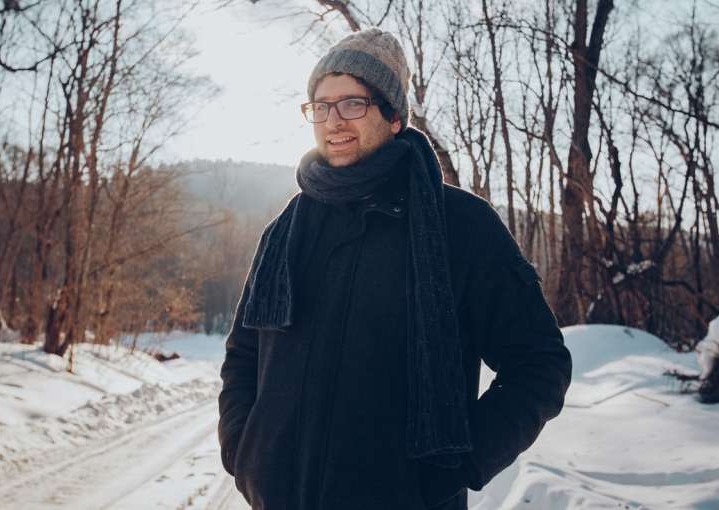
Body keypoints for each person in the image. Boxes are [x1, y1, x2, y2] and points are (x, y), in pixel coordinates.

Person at [218, 28, 572, 510]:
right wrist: (243, 452)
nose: (333, 121)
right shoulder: (287, 227)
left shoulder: (459, 225)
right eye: (320, 106)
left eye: (353, 103)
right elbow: (244, 353)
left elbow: (540, 364)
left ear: (394, 117)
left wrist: (458, 463)